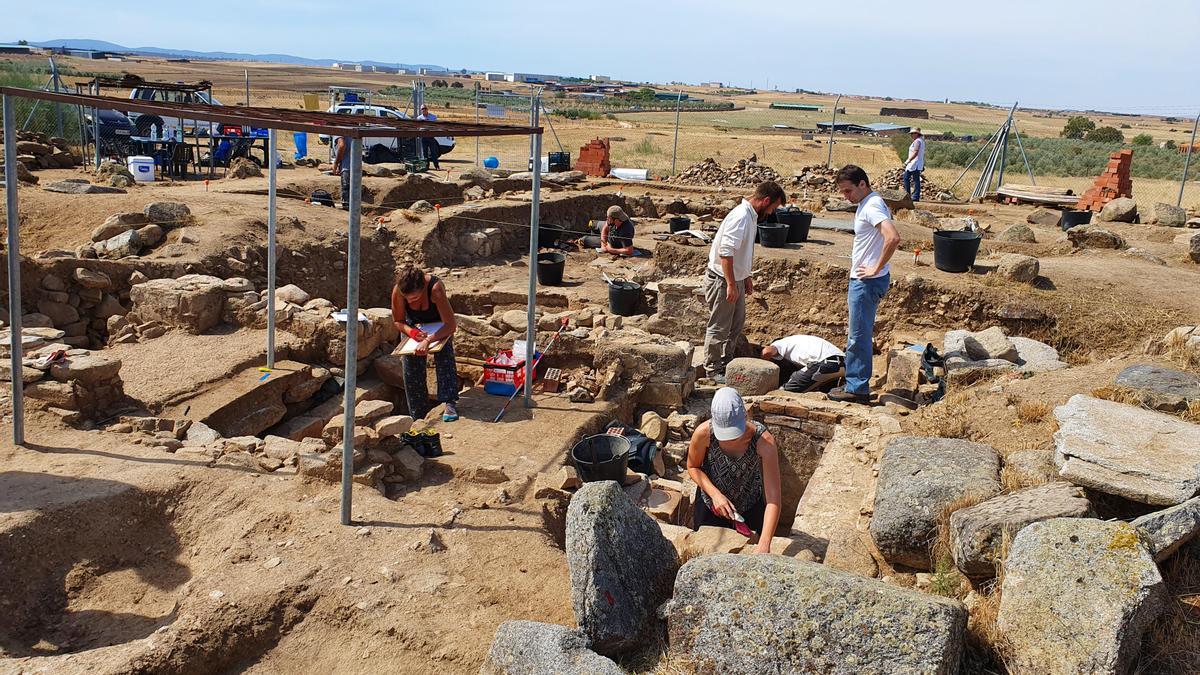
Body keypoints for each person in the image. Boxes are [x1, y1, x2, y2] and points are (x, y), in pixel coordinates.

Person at [828, 165, 900, 404]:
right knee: (858, 333)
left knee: (858, 336)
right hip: (865, 279)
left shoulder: (872, 206)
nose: (845, 196)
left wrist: (875, 268)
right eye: (842, 192)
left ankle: (857, 389)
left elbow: (893, 237)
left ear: (862, 184)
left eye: (848, 191)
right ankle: (856, 382)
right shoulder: (867, 204)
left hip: (867, 282)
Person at [703, 181, 786, 384]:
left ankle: (726, 363)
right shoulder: (741, 216)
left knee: (735, 325)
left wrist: (746, 276)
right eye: (773, 207)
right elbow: (726, 253)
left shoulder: (751, 216)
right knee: (719, 327)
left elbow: (742, 251)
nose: (772, 211)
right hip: (723, 279)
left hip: (735, 278)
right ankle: (712, 370)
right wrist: (731, 283)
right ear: (766, 200)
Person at [686, 387, 782, 553]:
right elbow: (693, 467)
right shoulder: (704, 433)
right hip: (712, 505)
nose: (729, 440)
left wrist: (765, 543)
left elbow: (773, 499)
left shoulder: (763, 441)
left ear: (744, 417)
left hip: (749, 503)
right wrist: (715, 495)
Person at [391, 265, 460, 422]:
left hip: (438, 325)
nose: (409, 301)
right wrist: (413, 334)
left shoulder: (435, 290)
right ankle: (418, 415)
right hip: (413, 327)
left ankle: (449, 402)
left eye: (414, 298)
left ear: (423, 289)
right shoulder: (399, 292)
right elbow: (398, 320)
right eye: (406, 298)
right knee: (411, 366)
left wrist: (429, 340)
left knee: (444, 355)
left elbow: (450, 325)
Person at [761, 335, 846, 393]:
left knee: (785, 392)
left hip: (825, 363)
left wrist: (762, 366)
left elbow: (767, 351)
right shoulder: (800, 341)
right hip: (844, 364)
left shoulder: (780, 343)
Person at [416, 104, 442, 170]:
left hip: (431, 137)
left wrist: (431, 128)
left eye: (425, 108)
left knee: (433, 153)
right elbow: (418, 128)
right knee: (425, 153)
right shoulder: (419, 118)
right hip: (424, 137)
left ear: (427, 109)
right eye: (422, 109)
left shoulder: (433, 117)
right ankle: (426, 166)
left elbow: (436, 126)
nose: (424, 110)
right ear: (421, 110)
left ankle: (437, 166)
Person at [903, 128, 925, 201]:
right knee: (913, 178)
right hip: (916, 163)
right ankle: (911, 195)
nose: (911, 135)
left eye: (913, 133)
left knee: (910, 178)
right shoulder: (920, 141)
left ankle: (913, 196)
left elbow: (915, 152)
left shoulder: (917, 141)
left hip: (914, 163)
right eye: (911, 134)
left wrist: (908, 161)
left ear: (917, 134)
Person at [332, 136, 351, 210]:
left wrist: (336, 163)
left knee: (347, 197)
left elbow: (342, 145)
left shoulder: (338, 131)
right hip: (356, 168)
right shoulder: (352, 129)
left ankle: (348, 216)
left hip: (347, 168)